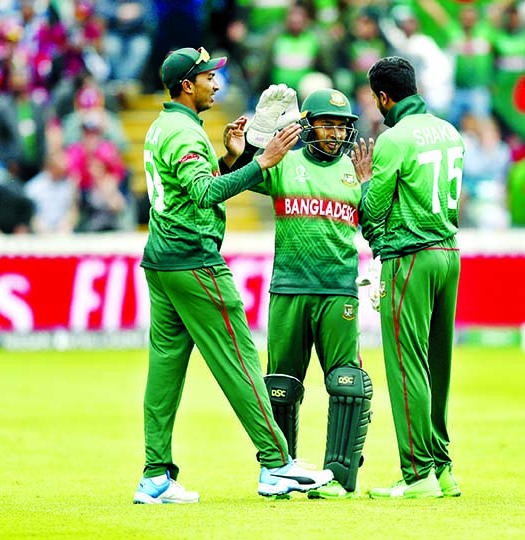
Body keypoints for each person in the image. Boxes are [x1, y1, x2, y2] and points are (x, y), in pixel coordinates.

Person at [133, 47, 332, 504]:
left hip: (163, 263)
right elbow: (203, 196)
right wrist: (261, 163)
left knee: (164, 373)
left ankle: (155, 476)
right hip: (194, 261)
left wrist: (232, 160)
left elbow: (193, 188)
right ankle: (276, 465)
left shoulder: (167, 126)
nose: (216, 84)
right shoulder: (183, 135)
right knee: (240, 361)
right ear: (188, 85)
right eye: (208, 77)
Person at [242, 87, 374, 499]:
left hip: (338, 290)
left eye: (341, 126)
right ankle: (281, 473)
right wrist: (254, 140)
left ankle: (340, 476)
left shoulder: (357, 171)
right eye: (327, 124)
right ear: (308, 125)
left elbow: (373, 221)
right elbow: (243, 172)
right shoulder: (285, 162)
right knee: (281, 385)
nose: (334, 133)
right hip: (289, 288)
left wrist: (368, 185)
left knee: (348, 383)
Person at [356, 56, 464, 499]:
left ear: (384, 96)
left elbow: (373, 211)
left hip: (410, 258)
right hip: (449, 254)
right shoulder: (449, 131)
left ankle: (417, 474)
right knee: (438, 366)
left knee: (406, 366)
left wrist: (363, 182)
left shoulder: (392, 139)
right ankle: (442, 468)